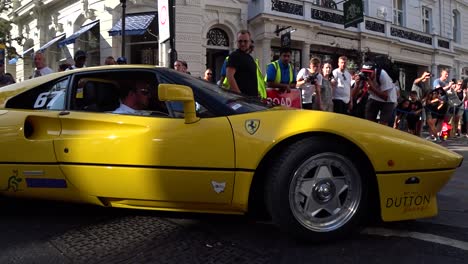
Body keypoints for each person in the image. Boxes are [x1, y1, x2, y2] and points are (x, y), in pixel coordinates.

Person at [359, 61, 395, 126]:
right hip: (374, 97)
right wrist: (357, 84)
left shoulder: (382, 75)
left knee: (383, 123)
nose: (367, 75)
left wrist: (372, 88)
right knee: (368, 119)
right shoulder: (363, 76)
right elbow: (359, 91)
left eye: (369, 73)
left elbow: (385, 97)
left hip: (389, 99)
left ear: (374, 71)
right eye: (365, 72)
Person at [226, 29, 258, 97]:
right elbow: (230, 76)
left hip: (252, 100)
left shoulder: (250, 58)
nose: (242, 44)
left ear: (250, 42)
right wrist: (240, 96)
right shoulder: (234, 56)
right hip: (243, 101)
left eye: (245, 41)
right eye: (240, 41)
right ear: (237, 42)